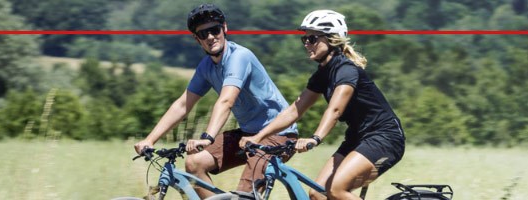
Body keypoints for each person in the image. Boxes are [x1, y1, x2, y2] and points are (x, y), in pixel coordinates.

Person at [132, 3, 298, 198]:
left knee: (245, 196)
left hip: (278, 134)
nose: (210, 37)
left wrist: (207, 137)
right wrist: (150, 139)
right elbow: (183, 104)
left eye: (214, 30)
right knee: (194, 163)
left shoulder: (239, 57)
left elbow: (226, 101)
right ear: (197, 39)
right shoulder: (206, 67)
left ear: (224, 28)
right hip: (247, 133)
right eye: (203, 34)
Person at [239, 10, 406, 200]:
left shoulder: (346, 70)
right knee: (317, 193)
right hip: (357, 138)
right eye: (305, 39)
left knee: (337, 190)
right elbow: (295, 110)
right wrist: (259, 137)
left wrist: (315, 138)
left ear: (332, 39)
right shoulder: (323, 73)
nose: (307, 44)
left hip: (384, 138)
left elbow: (335, 110)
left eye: (312, 38)